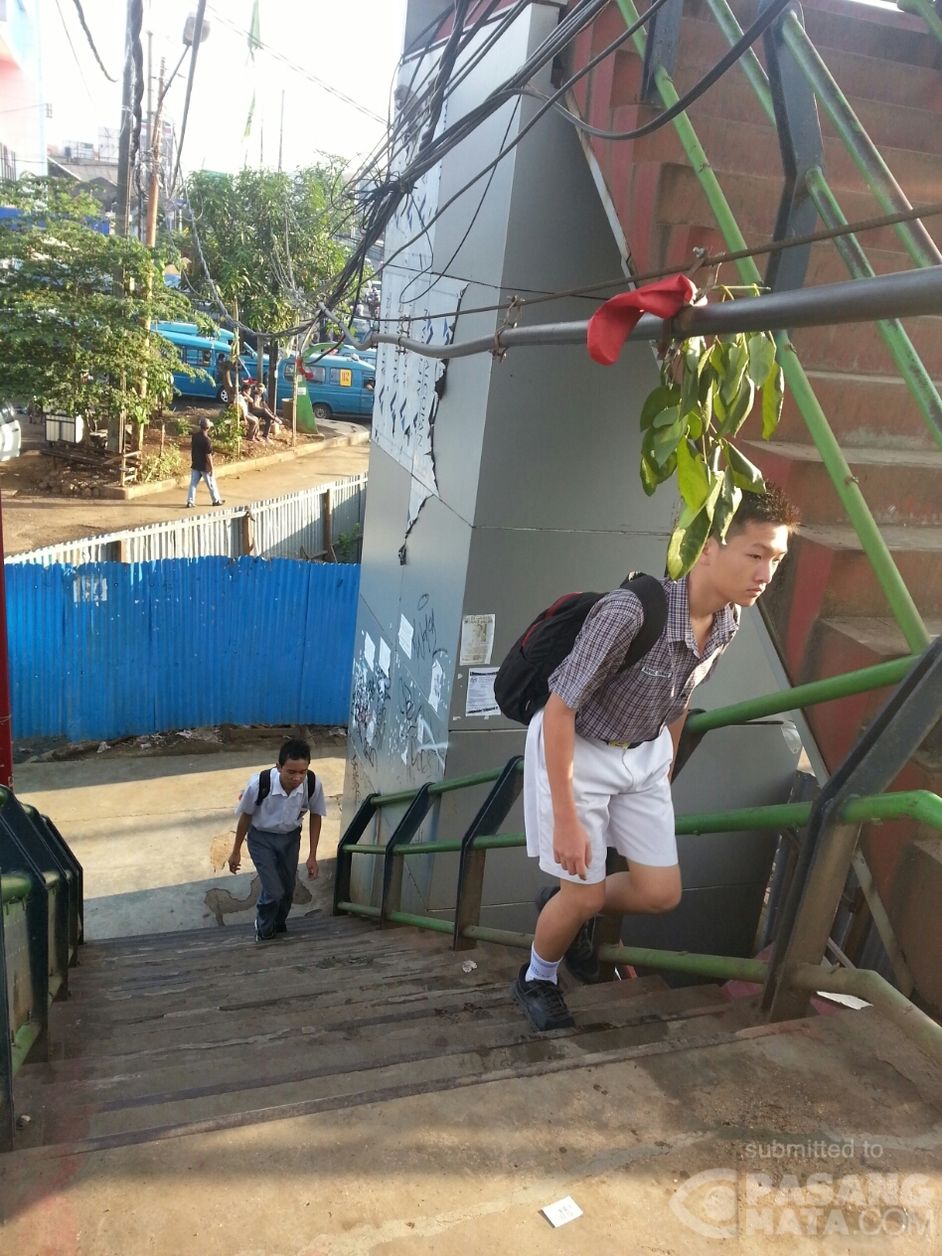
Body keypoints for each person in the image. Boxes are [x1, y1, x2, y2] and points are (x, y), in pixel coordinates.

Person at [511, 484, 800, 1031]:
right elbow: (559, 710)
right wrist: (566, 819)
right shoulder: (630, 613)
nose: (766, 573)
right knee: (583, 896)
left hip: (645, 756)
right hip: (580, 751)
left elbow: (682, 697)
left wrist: (661, 773)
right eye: (756, 554)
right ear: (708, 547)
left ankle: (568, 901)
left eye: (777, 559)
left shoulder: (728, 621)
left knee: (660, 893)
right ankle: (537, 976)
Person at [228, 738, 326, 942]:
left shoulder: (312, 784)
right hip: (261, 839)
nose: (297, 778)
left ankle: (278, 923)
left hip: (290, 839)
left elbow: (316, 816)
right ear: (279, 766)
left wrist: (312, 855)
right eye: (291, 772)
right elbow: (245, 817)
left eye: (303, 772)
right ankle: (263, 929)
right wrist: (236, 851)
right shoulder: (259, 784)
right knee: (273, 890)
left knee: (288, 888)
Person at [185, 416, 224, 507]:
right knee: (211, 484)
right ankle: (216, 500)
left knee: (193, 484)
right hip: (204, 466)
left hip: (196, 464)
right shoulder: (207, 440)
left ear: (200, 426)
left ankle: (190, 501)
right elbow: (208, 455)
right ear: (208, 428)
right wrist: (211, 468)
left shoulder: (195, 436)